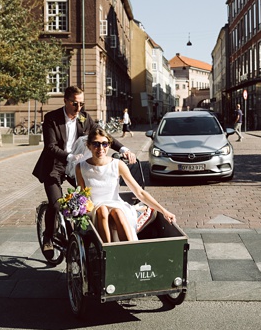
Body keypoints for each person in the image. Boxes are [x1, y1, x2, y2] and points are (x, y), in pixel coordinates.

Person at [31, 86, 136, 256]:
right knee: (56, 204)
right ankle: (48, 237)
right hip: (54, 165)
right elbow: (50, 147)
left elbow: (104, 135)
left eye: (81, 104)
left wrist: (123, 149)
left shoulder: (84, 118)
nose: (78, 108)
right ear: (65, 101)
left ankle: (83, 236)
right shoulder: (52, 118)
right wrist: (69, 156)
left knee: (87, 199)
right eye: (74, 103)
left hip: (75, 166)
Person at [74, 128, 173, 242]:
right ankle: (107, 252)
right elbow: (83, 197)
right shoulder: (81, 167)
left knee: (118, 213)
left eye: (104, 144)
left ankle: (129, 250)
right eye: (96, 144)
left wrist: (164, 211)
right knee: (102, 210)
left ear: (109, 145)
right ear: (89, 145)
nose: (100, 148)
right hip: (95, 209)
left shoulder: (117, 165)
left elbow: (139, 192)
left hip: (115, 205)